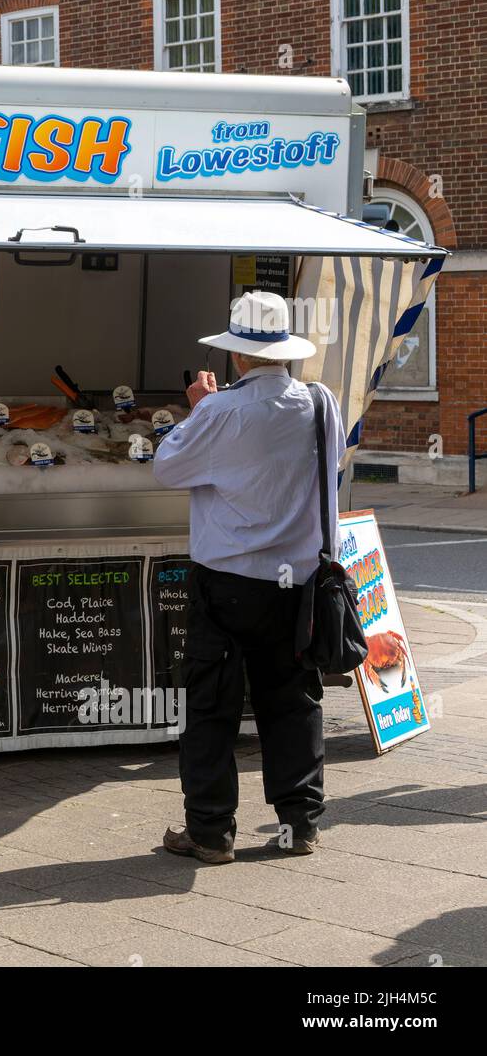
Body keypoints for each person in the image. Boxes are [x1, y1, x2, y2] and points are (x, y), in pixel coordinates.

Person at [152, 290, 344, 864]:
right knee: (293, 700)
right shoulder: (319, 401)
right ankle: (300, 823)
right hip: (299, 581)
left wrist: (196, 411)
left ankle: (211, 832)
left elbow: (168, 467)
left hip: (228, 582)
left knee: (212, 705)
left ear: (237, 356)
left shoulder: (219, 411)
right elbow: (329, 466)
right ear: (284, 351)